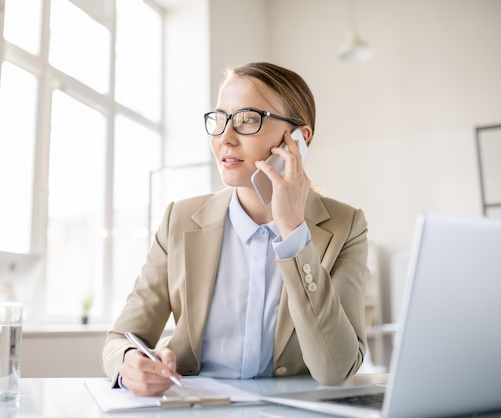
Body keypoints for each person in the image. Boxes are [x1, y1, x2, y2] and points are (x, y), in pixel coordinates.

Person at [103, 62, 369, 396]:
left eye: (247, 120)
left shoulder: (347, 227)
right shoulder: (179, 219)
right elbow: (120, 340)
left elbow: (336, 369)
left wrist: (293, 234)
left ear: (300, 138)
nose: (225, 138)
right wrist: (130, 365)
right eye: (220, 120)